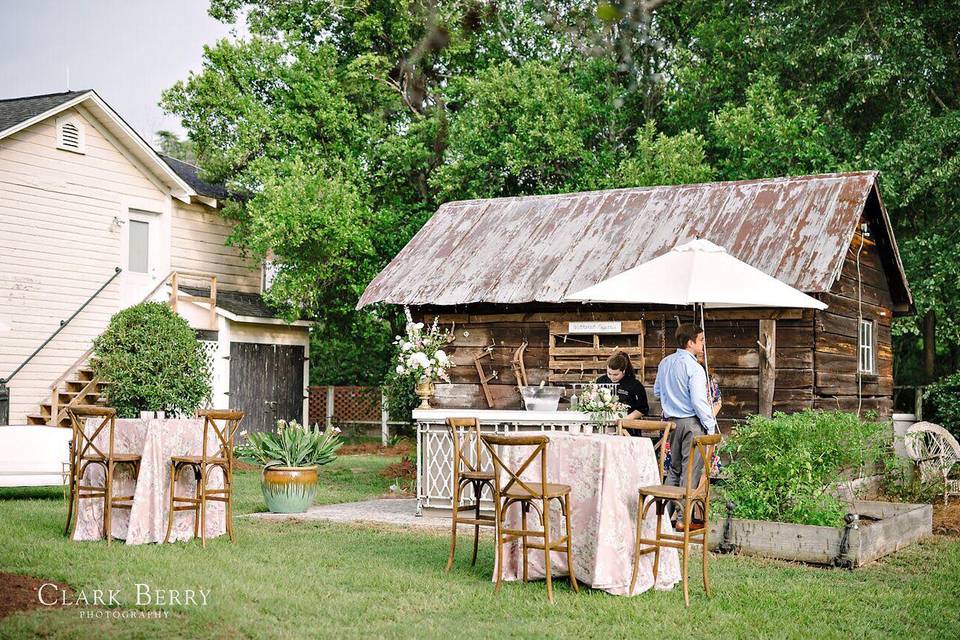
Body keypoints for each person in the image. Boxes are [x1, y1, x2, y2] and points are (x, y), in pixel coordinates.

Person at [653, 323, 721, 528]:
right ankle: (683, 519)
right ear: (690, 342)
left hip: (671, 423)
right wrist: (710, 427)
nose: (703, 345)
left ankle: (663, 518)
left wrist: (672, 397)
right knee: (690, 470)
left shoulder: (665, 362)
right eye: (701, 341)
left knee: (673, 470)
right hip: (692, 423)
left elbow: (657, 391)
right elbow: (699, 402)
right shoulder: (694, 368)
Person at [595, 351, 649, 419]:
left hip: (627, 422)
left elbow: (643, 409)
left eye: (616, 374)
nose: (612, 377)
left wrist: (624, 420)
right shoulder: (601, 381)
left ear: (623, 371)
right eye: (609, 373)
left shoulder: (635, 385)